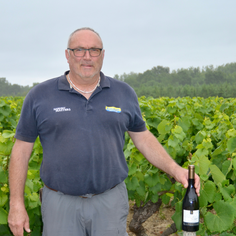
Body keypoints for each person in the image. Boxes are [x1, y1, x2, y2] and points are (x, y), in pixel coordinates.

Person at [8, 27, 200, 236]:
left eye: (94, 50)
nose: (87, 57)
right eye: (79, 50)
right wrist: (16, 203)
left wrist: (175, 170)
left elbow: (143, 138)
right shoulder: (39, 96)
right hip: (59, 204)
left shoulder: (123, 93)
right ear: (67, 55)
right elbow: (21, 151)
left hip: (110, 203)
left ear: (103, 55)